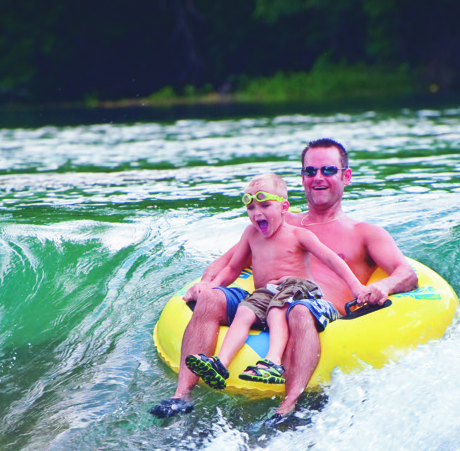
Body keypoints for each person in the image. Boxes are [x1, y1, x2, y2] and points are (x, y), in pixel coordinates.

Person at [150, 138, 417, 423]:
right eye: (310, 171)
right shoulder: (275, 220)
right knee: (211, 297)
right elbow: (228, 263)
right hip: (264, 301)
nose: (318, 178)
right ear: (302, 178)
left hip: (311, 309)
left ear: (345, 176)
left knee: (298, 310)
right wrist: (206, 282)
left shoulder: (364, 233)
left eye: (328, 170)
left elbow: (406, 273)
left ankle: (288, 407)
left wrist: (382, 286)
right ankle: (181, 396)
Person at [181, 171, 371, 399]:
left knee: (276, 310)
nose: (257, 213)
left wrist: (357, 287)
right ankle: (220, 363)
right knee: (243, 312)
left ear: (283, 208)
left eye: (265, 206)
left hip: (298, 289)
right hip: (265, 292)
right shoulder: (251, 234)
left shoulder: (299, 235)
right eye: (251, 209)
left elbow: (333, 260)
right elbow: (232, 268)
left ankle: (272, 361)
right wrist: (211, 285)